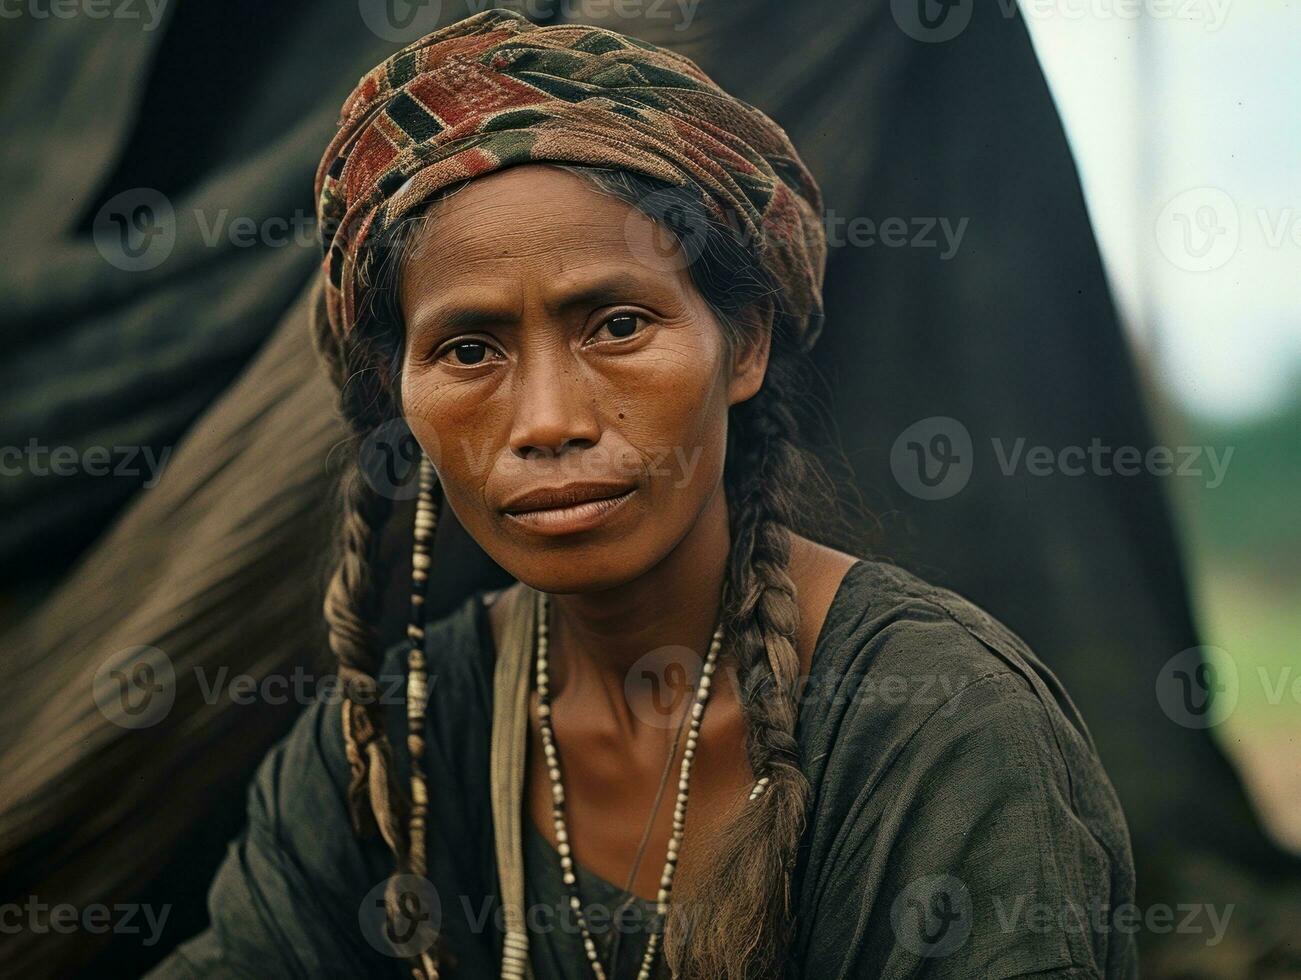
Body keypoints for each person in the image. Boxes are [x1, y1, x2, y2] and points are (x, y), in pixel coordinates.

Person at [149, 11, 1137, 979]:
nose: (546, 419)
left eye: (616, 325)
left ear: (741, 342)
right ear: (396, 391)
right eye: (467, 348)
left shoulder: (936, 731)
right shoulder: (385, 752)